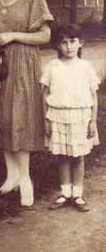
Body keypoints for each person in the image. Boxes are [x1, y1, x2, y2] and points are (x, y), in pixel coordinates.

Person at [0, 0, 53, 206]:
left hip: (23, 63)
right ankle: (11, 175)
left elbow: (44, 36)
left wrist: (12, 35)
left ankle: (26, 178)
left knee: (20, 116)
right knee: (2, 116)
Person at [41, 24, 99, 212]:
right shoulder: (53, 66)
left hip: (80, 116)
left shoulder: (86, 67)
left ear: (80, 43)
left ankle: (78, 194)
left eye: (72, 41)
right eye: (63, 42)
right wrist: (45, 119)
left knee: (78, 156)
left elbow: (94, 97)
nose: (68, 46)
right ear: (57, 45)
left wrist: (92, 121)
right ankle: (66, 192)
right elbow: (45, 95)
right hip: (58, 115)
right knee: (63, 156)